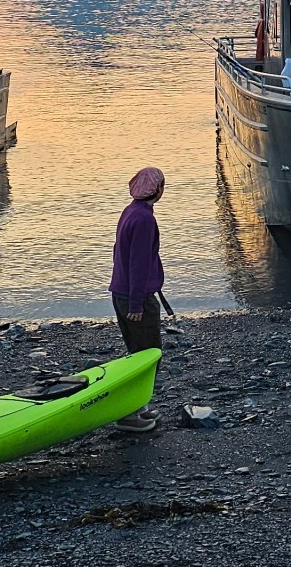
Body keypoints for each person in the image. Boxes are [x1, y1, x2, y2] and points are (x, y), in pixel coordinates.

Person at [109, 166, 166, 432]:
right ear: (158, 190)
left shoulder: (130, 211)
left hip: (121, 292)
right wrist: (136, 304)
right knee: (149, 356)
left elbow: (120, 255)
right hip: (136, 297)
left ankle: (138, 407)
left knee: (137, 354)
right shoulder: (144, 219)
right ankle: (129, 413)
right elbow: (139, 263)